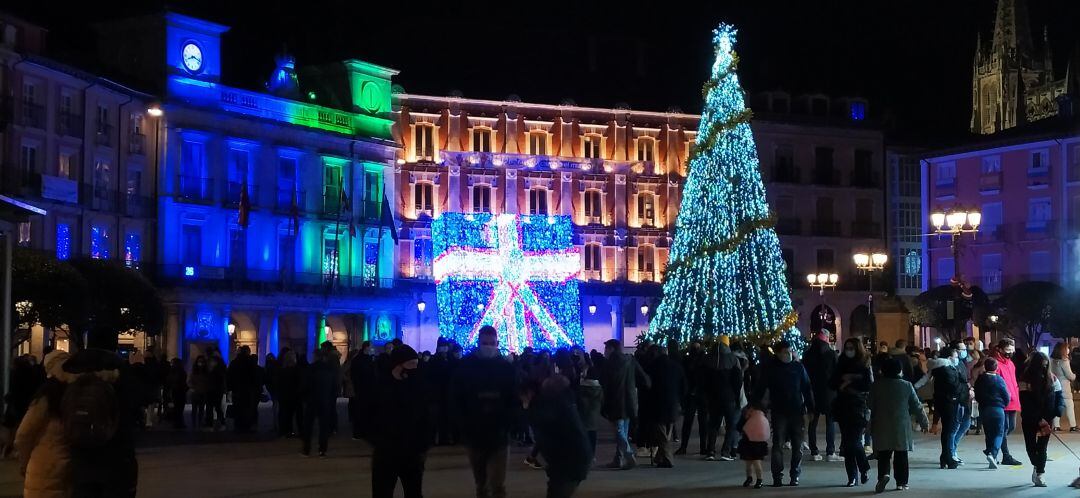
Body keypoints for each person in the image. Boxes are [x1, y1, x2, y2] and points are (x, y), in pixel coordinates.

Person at [62, 348, 140, 498]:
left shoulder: (73, 382)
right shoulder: (119, 381)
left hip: (81, 457)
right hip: (116, 459)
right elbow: (141, 398)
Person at [450, 326, 518, 498]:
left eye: (491, 343)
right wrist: (463, 424)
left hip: (499, 433)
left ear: (497, 343)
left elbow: (513, 398)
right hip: (474, 433)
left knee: (498, 484)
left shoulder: (506, 368)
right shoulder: (466, 366)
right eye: (485, 343)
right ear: (478, 343)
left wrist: (509, 423)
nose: (488, 346)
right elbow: (456, 397)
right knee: (480, 483)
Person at [753, 341, 814, 487]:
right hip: (779, 411)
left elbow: (806, 387)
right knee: (778, 444)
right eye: (785, 352)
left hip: (796, 410)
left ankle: (795, 475)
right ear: (778, 353)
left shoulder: (798, 367)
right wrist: (756, 406)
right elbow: (761, 388)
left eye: (790, 351)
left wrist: (811, 408)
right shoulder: (771, 369)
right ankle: (777, 476)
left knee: (797, 444)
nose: (789, 354)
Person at [371, 345, 429, 498]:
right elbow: (369, 415)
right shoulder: (381, 386)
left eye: (416, 364)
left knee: (414, 492)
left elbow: (426, 416)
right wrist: (377, 440)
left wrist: (423, 445)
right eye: (411, 364)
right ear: (398, 365)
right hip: (386, 452)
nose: (414, 369)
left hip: (412, 451)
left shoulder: (418, 385)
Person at [521, 374, 592, 498]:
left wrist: (529, 408)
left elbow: (544, 428)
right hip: (572, 461)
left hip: (568, 464)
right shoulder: (566, 403)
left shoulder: (549, 408)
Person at [15, 350, 73, 498]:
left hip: (44, 467)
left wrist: (24, 462)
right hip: (72, 468)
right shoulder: (77, 393)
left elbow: (23, 434)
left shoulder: (46, 396)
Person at [869, 356, 928, 493]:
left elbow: (870, 404)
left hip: (881, 424)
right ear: (899, 371)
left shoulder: (876, 386)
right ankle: (902, 482)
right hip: (901, 424)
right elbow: (916, 406)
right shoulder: (906, 385)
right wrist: (924, 422)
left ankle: (884, 475)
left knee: (883, 454)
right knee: (901, 455)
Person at [1017, 352, 1066, 487]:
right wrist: (1038, 419)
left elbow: (1059, 396)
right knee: (1031, 447)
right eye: (1041, 366)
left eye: (1046, 366)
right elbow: (1026, 403)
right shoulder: (1024, 380)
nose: (1044, 369)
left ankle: (1040, 473)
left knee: (1042, 447)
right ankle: (1037, 465)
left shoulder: (1053, 378)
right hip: (1030, 419)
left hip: (1048, 418)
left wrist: (1059, 409)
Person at [599, 339, 648, 470]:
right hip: (630, 400)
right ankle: (618, 459)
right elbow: (643, 378)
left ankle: (628, 455)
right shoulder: (630, 360)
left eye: (606, 349)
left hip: (615, 401)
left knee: (619, 432)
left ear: (612, 349)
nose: (605, 352)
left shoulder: (609, 364)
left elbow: (605, 384)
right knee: (623, 431)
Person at [831, 337, 872, 486]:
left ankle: (863, 468)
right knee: (848, 443)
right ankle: (852, 476)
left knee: (853, 442)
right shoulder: (841, 362)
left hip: (858, 406)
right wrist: (843, 382)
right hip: (843, 406)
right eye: (847, 347)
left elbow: (868, 384)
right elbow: (832, 382)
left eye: (851, 348)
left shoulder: (864, 363)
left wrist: (851, 380)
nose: (849, 351)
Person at [914, 347, 963, 469]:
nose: (957, 359)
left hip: (941, 400)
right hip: (949, 401)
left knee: (947, 430)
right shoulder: (947, 369)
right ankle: (947, 457)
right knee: (948, 430)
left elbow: (924, 380)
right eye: (955, 356)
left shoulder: (937, 368)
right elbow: (955, 386)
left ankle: (945, 457)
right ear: (949, 358)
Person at [640, 345, 685, 468]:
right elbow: (684, 386)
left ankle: (668, 458)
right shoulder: (676, 366)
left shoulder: (652, 367)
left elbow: (646, 386)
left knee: (661, 434)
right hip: (673, 404)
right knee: (666, 433)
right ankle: (660, 457)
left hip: (657, 404)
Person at [702, 336, 743, 461]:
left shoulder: (708, 360)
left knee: (713, 424)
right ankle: (726, 451)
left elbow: (703, 381)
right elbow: (738, 380)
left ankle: (711, 451)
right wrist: (737, 397)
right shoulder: (733, 360)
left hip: (713, 397)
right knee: (731, 425)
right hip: (729, 397)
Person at [802, 331, 838, 462]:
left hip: (812, 392)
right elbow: (837, 373)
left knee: (813, 422)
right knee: (830, 422)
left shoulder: (808, 355)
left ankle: (814, 451)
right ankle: (830, 452)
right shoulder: (831, 354)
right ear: (826, 339)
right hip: (829, 393)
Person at [990, 339, 1023, 466]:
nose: (1010, 353)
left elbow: (1013, 381)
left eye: (1011, 350)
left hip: (1013, 399)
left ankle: (995, 444)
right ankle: (1005, 455)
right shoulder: (996, 363)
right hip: (1002, 401)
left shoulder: (1010, 363)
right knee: (1003, 429)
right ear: (1000, 349)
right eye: (1007, 350)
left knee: (1011, 427)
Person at [974, 357, 1009, 469]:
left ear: (985, 366)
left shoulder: (980, 379)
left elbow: (977, 393)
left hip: (985, 409)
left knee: (988, 433)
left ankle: (990, 452)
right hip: (998, 408)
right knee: (999, 432)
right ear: (996, 368)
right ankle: (993, 454)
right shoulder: (999, 380)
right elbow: (1006, 395)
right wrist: (1005, 403)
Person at [676, 341, 708, 456]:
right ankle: (703, 447)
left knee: (690, 421)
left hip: (694, 394)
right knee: (701, 422)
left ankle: (685, 447)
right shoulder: (704, 360)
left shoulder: (688, 360)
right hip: (700, 393)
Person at [736, 401, 770, 489]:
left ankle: (756, 479)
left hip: (751, 443)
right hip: (756, 443)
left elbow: (739, 427)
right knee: (752, 463)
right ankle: (754, 479)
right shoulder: (763, 418)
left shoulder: (750, 417)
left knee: (753, 462)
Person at [351, 342, 378, 441]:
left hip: (364, 389)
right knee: (361, 411)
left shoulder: (365, 359)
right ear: (367, 348)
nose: (373, 349)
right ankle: (360, 432)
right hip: (364, 389)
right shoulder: (362, 360)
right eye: (371, 347)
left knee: (364, 411)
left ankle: (362, 432)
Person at [1051, 343, 1077, 432]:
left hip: (1054, 385)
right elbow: (1069, 375)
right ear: (1063, 350)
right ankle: (1073, 426)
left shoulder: (1051, 360)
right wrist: (1074, 376)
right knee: (1070, 405)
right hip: (1064, 386)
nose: (1068, 350)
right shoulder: (1064, 361)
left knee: (1057, 405)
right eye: (1067, 348)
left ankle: (1056, 426)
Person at [205, 352, 227, 431]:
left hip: (216, 391)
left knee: (217, 407)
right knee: (210, 408)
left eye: (212, 361)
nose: (211, 363)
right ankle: (210, 424)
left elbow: (221, 382)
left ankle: (221, 423)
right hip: (210, 391)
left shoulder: (218, 372)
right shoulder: (209, 371)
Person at [188, 356, 211, 430]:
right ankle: (194, 424)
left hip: (203, 393)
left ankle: (199, 423)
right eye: (199, 362)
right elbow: (189, 381)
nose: (200, 363)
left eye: (202, 362)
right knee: (194, 409)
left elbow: (208, 382)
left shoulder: (206, 372)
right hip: (196, 392)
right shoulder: (194, 372)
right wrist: (192, 388)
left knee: (201, 409)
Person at [165, 358, 187, 430]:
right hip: (180, 391)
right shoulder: (181, 372)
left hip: (176, 391)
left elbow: (169, 381)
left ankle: (177, 422)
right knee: (179, 408)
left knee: (177, 408)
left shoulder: (173, 372)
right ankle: (179, 422)